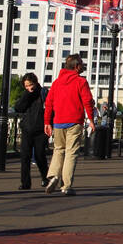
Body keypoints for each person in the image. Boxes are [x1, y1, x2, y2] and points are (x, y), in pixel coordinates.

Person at [43, 53, 96, 196]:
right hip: (74, 121)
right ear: (77, 66)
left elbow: (48, 104)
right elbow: (87, 102)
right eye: (81, 64)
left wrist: (47, 122)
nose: (83, 66)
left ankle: (53, 174)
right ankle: (66, 185)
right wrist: (91, 120)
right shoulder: (81, 82)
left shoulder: (56, 82)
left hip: (58, 122)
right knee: (71, 153)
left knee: (58, 150)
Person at [14, 72, 49, 190]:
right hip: (27, 128)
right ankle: (25, 183)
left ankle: (45, 177)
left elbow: (50, 108)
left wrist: (49, 125)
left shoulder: (43, 93)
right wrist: (26, 95)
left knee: (40, 155)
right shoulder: (26, 95)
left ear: (35, 82)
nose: (29, 88)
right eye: (26, 86)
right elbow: (18, 108)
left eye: (30, 85)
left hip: (40, 129)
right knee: (25, 156)